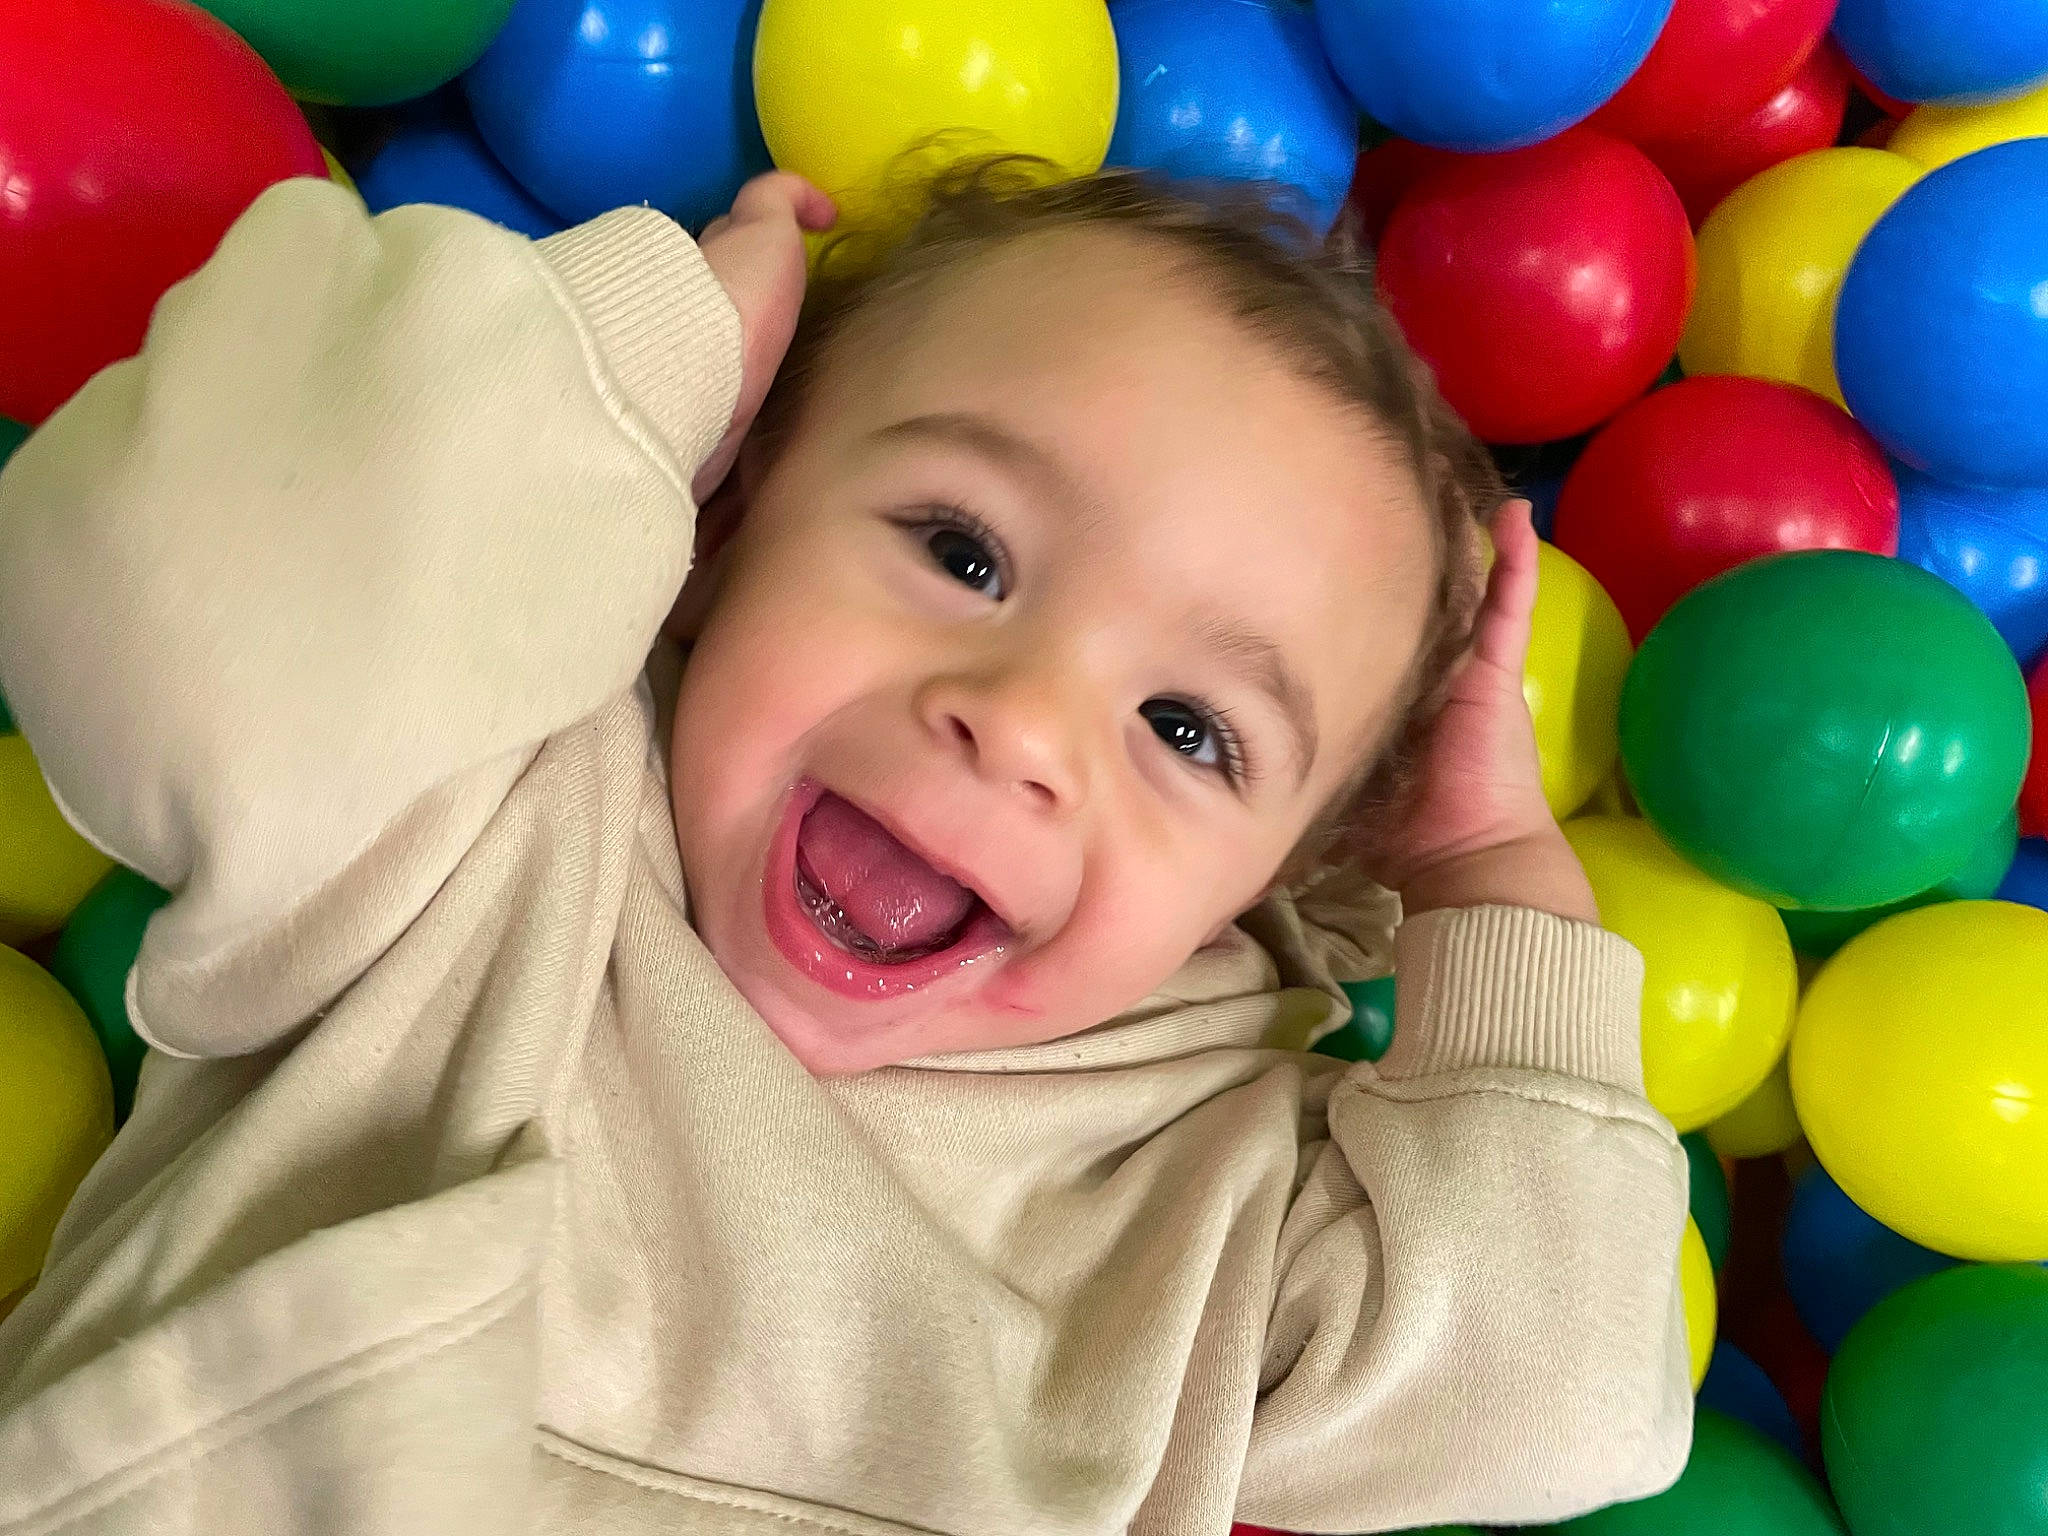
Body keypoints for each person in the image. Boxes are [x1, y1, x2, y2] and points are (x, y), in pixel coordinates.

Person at [0, 163, 1690, 1535]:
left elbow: (1550, 1408)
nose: (1020, 725)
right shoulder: (492, 794)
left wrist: (1486, 887)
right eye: (961, 549)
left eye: (1189, 733)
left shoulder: (1202, 1166)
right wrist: (642, 362)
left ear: (1268, 887)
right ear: (727, 518)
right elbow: (168, 615)